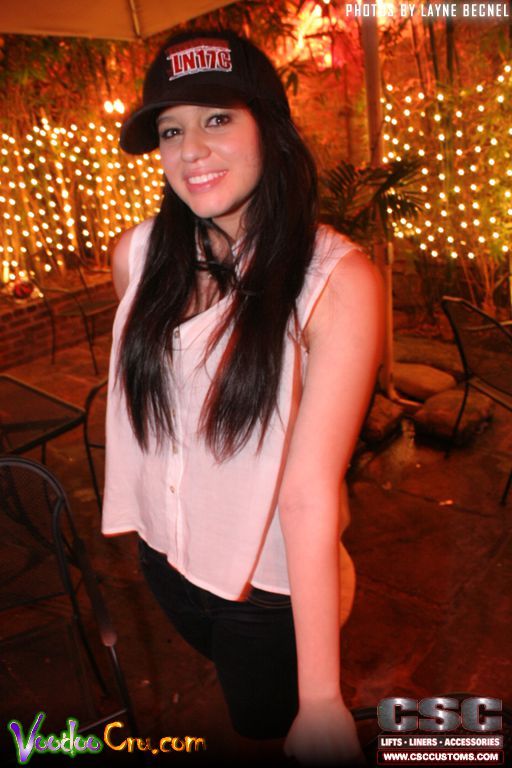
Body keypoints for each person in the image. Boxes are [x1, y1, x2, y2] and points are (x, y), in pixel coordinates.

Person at [102, 28, 384, 765]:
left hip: (266, 590)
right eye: (171, 130)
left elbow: (309, 490)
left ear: (270, 127)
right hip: (164, 559)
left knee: (265, 723)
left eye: (217, 118)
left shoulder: (335, 282)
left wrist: (322, 702)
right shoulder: (137, 256)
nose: (191, 149)